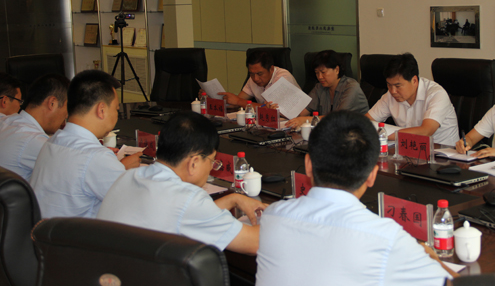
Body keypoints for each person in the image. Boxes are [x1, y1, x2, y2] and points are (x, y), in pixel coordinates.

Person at [256, 111, 457, 286]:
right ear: (372, 176)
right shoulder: (387, 239)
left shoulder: (272, 217)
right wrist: (433, 260)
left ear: (308, 165)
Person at [98, 111, 266, 255]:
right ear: (193, 163)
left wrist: (233, 199)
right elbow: (254, 243)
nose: (211, 168)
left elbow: (183, 215)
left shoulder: (128, 177)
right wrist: (277, 214)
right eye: (212, 161)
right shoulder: (187, 198)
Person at [30, 70, 142, 218]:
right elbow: (139, 205)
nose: (117, 115)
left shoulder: (52, 142)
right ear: (101, 110)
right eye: (116, 109)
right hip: (75, 232)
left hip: (44, 229)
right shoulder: (96, 157)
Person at [366, 53, 459, 146]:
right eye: (389, 85)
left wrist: (383, 135)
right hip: (410, 149)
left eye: (398, 86)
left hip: (443, 151)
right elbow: (365, 121)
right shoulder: (390, 96)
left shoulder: (436, 94)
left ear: (414, 81)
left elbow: (426, 131)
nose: (393, 91)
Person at [0, 74, 70, 181]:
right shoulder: (34, 141)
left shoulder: (5, 122)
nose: (66, 115)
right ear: (52, 103)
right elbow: (75, 169)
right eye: (67, 107)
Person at [286, 50, 368, 129]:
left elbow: (338, 118)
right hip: (332, 131)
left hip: (356, 132)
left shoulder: (351, 87)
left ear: (337, 70)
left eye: (323, 72)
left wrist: (304, 120)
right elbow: (302, 112)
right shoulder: (319, 87)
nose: (320, 77)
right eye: (317, 73)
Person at [206, 50, 300, 108]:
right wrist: (212, 99)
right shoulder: (253, 78)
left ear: (271, 69)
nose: (255, 79)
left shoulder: (283, 77)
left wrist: (238, 101)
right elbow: (236, 102)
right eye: (251, 74)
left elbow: (273, 109)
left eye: (260, 74)